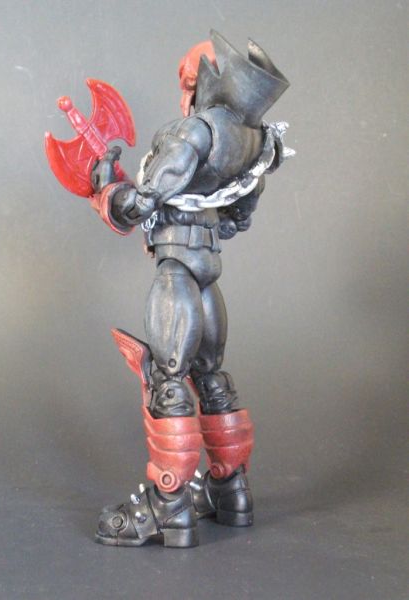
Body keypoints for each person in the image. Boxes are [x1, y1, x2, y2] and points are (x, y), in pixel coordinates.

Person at [90, 30, 292, 547]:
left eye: (186, 81)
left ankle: (170, 504)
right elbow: (239, 214)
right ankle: (230, 491)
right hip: (207, 273)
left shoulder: (194, 130)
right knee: (212, 376)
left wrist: (105, 188)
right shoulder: (253, 139)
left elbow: (141, 203)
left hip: (177, 270)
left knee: (170, 379)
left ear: (197, 83)